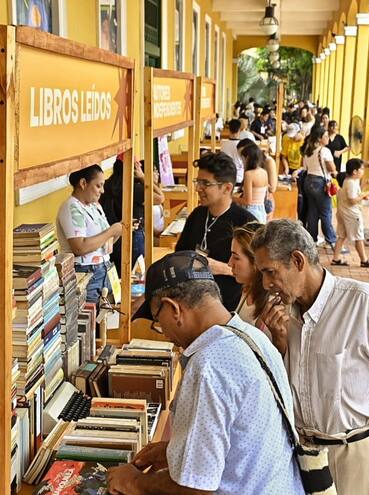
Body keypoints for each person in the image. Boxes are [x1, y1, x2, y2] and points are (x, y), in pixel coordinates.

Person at [252, 220, 369, 495]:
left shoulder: (363, 304)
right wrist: (280, 342)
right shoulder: (284, 315)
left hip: (354, 458)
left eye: (270, 272)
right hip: (302, 455)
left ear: (297, 260)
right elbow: (285, 389)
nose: (266, 284)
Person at [109, 252, 304, 495]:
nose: (164, 333)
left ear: (174, 309)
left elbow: (196, 489)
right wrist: (176, 451)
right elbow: (239, 442)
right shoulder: (253, 337)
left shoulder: (208, 367)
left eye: (158, 321)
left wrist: (134, 482)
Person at [175, 153, 256, 311]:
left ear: (227, 188)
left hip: (227, 306)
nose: (198, 188)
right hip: (190, 302)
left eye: (205, 183)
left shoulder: (246, 223)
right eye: (198, 182)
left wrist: (221, 268)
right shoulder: (197, 215)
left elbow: (257, 271)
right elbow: (179, 253)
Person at [57, 164, 123, 303]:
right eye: (98, 186)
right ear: (83, 183)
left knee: (108, 313)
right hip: (86, 272)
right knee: (91, 313)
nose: (102, 191)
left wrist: (119, 230)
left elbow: (105, 244)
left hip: (105, 269)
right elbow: (79, 247)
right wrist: (111, 231)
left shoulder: (95, 206)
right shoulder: (71, 207)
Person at [100, 158, 164, 273]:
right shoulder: (134, 187)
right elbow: (160, 197)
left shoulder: (107, 184)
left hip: (112, 235)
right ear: (134, 169)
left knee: (118, 273)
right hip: (133, 235)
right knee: (133, 274)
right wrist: (143, 177)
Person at [228, 222, 273, 332]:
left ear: (256, 262)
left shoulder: (272, 304)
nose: (229, 263)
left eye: (236, 258)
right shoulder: (247, 289)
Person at [332, 159, 369, 267]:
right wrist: (363, 195)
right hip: (351, 214)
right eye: (361, 169)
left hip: (343, 212)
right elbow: (352, 200)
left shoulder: (349, 181)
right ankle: (364, 260)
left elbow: (355, 194)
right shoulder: (351, 182)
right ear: (355, 171)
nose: (363, 171)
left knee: (341, 236)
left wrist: (363, 190)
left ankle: (335, 259)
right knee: (359, 237)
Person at [300, 125, 337, 248]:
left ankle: (312, 239)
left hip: (308, 181)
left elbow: (305, 167)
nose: (328, 138)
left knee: (312, 212)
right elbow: (332, 168)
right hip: (320, 183)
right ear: (319, 138)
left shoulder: (308, 150)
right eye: (325, 136)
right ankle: (330, 240)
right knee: (326, 212)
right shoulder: (324, 151)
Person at [233, 140, 270, 223]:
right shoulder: (264, 172)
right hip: (261, 210)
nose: (242, 162)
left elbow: (247, 201)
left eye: (242, 158)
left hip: (251, 211)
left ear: (247, 158)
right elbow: (266, 195)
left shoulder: (249, 174)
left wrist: (231, 198)